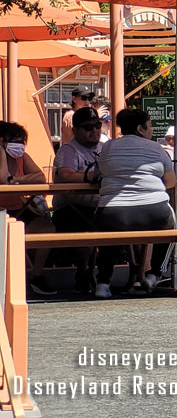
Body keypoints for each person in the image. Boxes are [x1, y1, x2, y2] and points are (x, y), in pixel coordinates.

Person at [93, 109, 176, 299]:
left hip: (112, 212)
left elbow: (100, 173)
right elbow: (170, 182)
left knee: (109, 235)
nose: (152, 130)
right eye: (150, 126)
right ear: (140, 128)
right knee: (171, 228)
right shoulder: (157, 149)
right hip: (153, 211)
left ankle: (103, 283)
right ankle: (155, 273)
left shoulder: (108, 147)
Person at [53, 106, 106, 293]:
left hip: (100, 206)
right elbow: (66, 174)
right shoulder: (69, 150)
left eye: (97, 125)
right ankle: (84, 272)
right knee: (85, 229)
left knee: (130, 223)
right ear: (75, 131)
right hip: (71, 207)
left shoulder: (106, 148)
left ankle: (139, 273)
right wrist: (91, 177)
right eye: (88, 127)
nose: (94, 130)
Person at [0, 122, 57, 295]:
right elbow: (2, 178)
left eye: (22, 141)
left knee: (47, 229)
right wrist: (1, 154)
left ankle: (36, 275)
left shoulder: (22, 157)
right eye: (15, 141)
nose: (19, 145)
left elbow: (40, 177)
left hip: (20, 209)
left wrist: (15, 180)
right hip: (2, 212)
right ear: (2, 141)